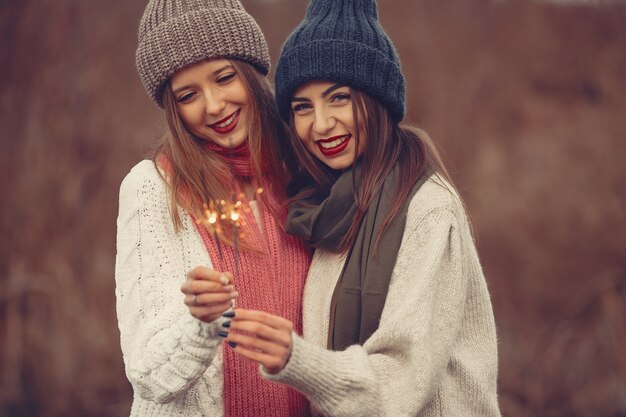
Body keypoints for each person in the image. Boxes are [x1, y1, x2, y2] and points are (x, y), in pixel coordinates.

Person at [220, 0, 502, 415]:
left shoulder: (426, 209)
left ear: (377, 100)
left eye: (339, 98)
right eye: (302, 107)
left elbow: (399, 381)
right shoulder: (323, 210)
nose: (320, 124)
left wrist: (295, 359)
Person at [114, 0, 312, 416]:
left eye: (224, 78)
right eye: (189, 95)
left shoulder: (301, 176)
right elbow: (148, 374)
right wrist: (204, 324)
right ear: (173, 108)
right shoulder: (153, 189)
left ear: (252, 74)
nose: (215, 105)